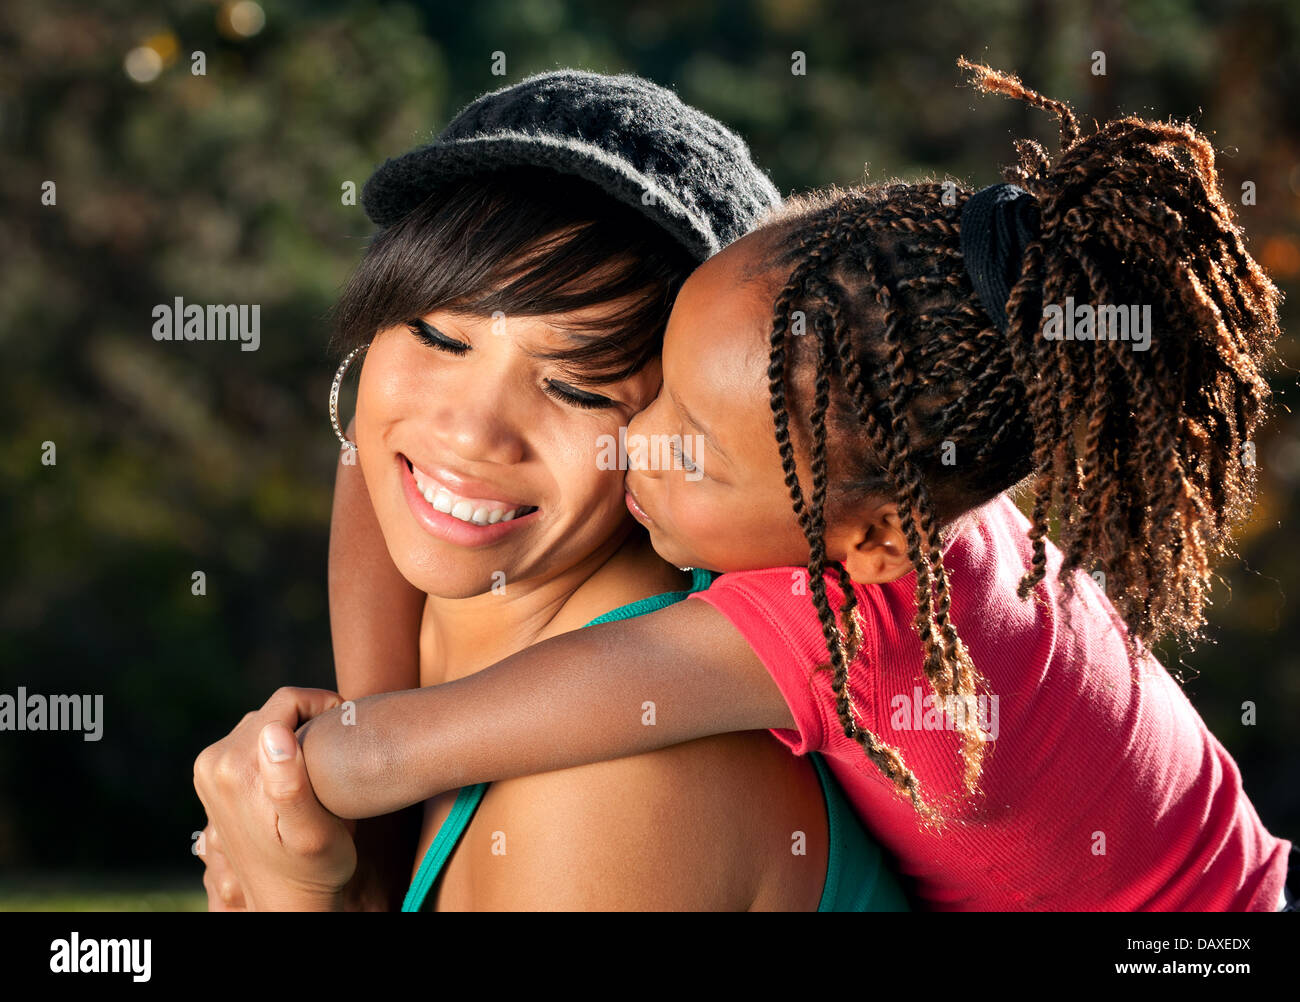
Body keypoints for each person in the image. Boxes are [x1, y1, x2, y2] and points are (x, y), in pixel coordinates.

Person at [267, 59, 1295, 910]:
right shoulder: (883, 473)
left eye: (591, 388)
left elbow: (383, 758)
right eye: (438, 336)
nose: (647, 446)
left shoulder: (833, 618)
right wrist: (368, 703)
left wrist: (300, 793)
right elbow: (387, 455)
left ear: (876, 541)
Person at [194, 69, 911, 912]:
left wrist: (291, 896)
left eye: (577, 389)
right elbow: (363, 458)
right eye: (435, 334)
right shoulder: (414, 571)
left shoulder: (628, 777)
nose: (469, 434)